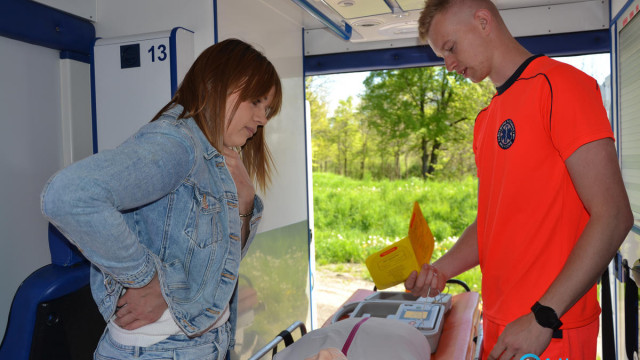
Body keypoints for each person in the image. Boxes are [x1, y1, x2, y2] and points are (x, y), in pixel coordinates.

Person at [406, 1, 634, 359]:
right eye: (441, 56)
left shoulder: (562, 86)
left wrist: (544, 316)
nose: (448, 64)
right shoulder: (486, 121)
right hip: (502, 325)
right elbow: (492, 226)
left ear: (483, 21)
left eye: (449, 48)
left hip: (551, 328)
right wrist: (439, 270)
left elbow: (614, 215)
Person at [41, 38, 282, 359]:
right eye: (255, 101)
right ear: (213, 84)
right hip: (162, 350)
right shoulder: (179, 144)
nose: (263, 118)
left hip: (202, 343)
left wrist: (245, 205)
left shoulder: (217, 155)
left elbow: (220, 264)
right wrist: (146, 280)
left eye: (267, 109)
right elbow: (68, 196)